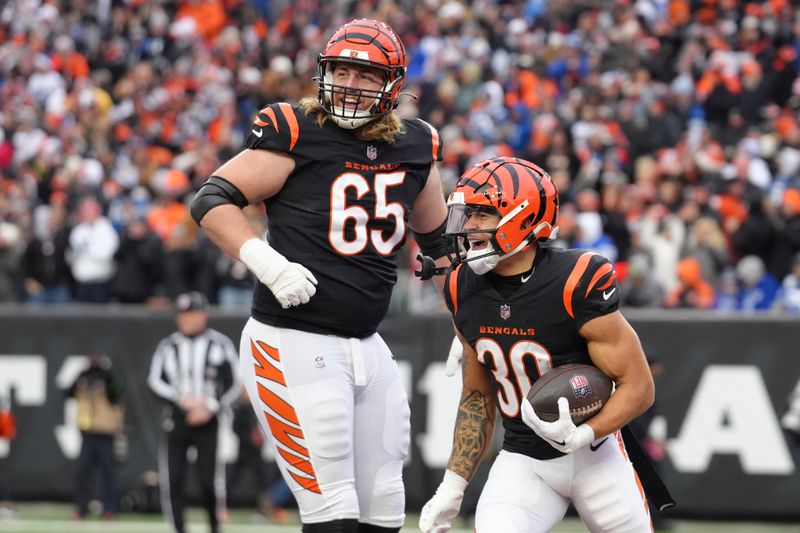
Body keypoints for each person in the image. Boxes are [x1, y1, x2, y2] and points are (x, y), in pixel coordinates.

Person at [189, 18, 449, 533]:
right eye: (342, 71)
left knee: (385, 512)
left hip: (369, 347)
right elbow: (211, 198)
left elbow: (439, 244)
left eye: (366, 74)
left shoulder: (417, 145)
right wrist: (268, 263)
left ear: (393, 84)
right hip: (292, 342)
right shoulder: (296, 130)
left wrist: (472, 321)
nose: (350, 84)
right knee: (333, 515)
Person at [420, 157, 665, 533]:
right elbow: (477, 397)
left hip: (596, 456)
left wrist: (583, 433)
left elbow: (639, 387)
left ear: (522, 217)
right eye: (467, 215)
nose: (469, 227)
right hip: (523, 459)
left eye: (482, 215)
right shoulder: (461, 286)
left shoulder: (576, 279)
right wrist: (453, 486)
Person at [147, 291, 240, 533]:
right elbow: (155, 381)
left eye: (190, 314)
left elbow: (235, 384)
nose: (185, 320)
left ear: (202, 315)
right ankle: (178, 529)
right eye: (182, 315)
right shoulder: (168, 346)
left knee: (209, 482)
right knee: (174, 479)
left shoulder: (219, 344)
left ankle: (214, 527)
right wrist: (182, 400)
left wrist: (209, 406)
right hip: (178, 417)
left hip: (209, 419)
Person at [67, 354, 124, 520]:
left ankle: (110, 509)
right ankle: (81, 508)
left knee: (109, 474)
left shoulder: (109, 381)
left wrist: (107, 378)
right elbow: (68, 393)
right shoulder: (83, 381)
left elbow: (116, 393)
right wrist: (79, 377)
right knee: (82, 473)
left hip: (106, 433)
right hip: (87, 433)